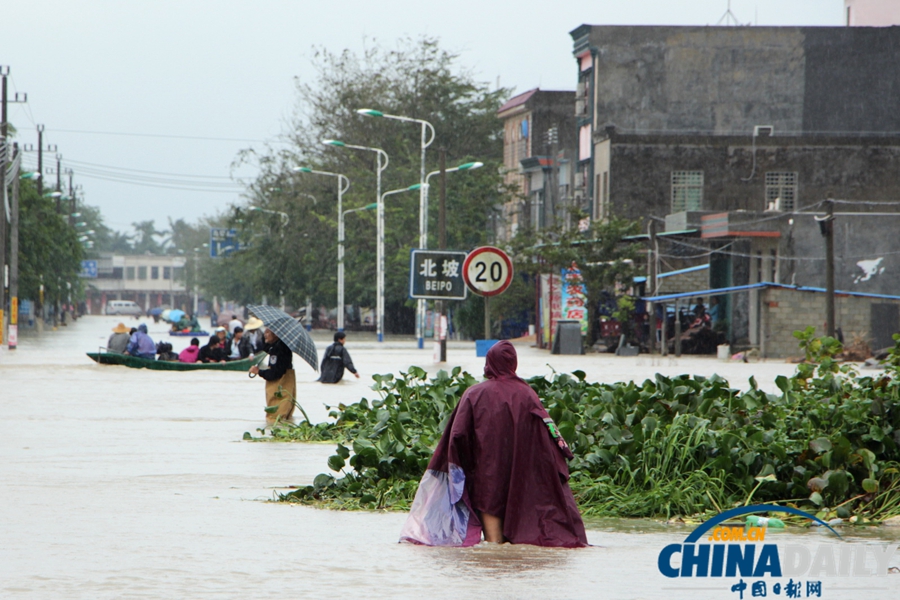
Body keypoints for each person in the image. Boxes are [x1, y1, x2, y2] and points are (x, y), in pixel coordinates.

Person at [399, 341, 588, 548]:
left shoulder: (474, 394)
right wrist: (563, 455)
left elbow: (458, 435)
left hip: (487, 472)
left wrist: (457, 465)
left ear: (489, 363)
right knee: (515, 539)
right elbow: (550, 432)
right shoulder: (528, 394)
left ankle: (494, 554)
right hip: (520, 473)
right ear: (513, 363)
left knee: (493, 545)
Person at [249, 328, 295, 424]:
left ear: (276, 335)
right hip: (287, 388)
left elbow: (274, 374)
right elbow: (265, 348)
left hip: (280, 388)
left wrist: (259, 371)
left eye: (268, 332)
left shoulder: (278, 350)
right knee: (285, 419)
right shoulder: (278, 346)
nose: (265, 334)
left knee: (274, 419)